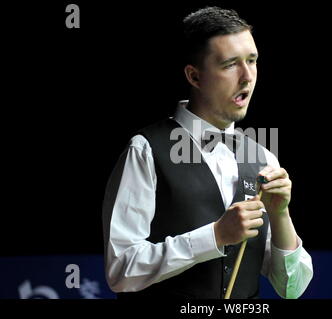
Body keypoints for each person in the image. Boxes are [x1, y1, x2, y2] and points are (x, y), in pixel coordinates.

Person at [102, 6, 313, 299]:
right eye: (230, 65)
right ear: (195, 77)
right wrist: (215, 236)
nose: (247, 77)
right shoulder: (145, 150)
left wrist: (281, 215)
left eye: (252, 61)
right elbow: (121, 271)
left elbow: (292, 289)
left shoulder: (263, 157)